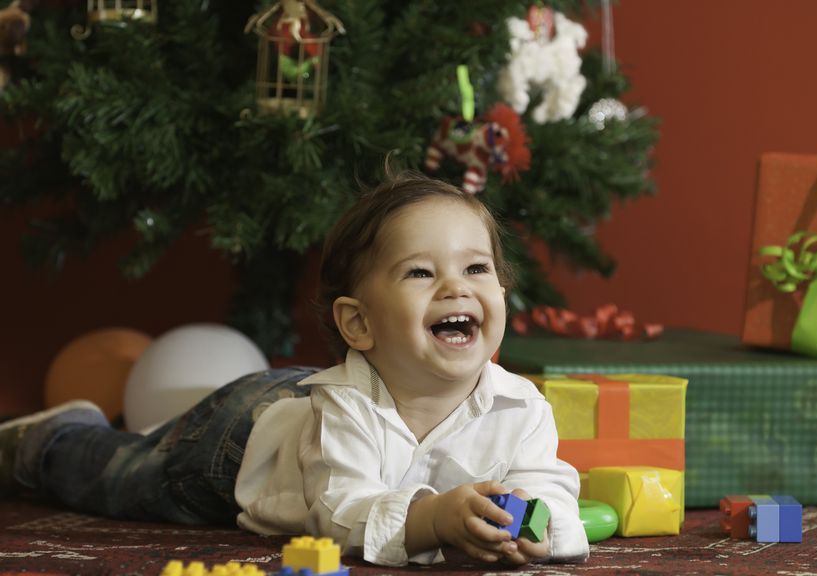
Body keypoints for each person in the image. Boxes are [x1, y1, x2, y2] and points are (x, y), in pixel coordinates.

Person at [0, 170, 589, 567]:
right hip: (236, 440)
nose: (456, 287)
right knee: (124, 476)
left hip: (301, 397)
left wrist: (528, 527)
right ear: (359, 325)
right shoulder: (347, 411)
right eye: (420, 273)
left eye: (477, 268)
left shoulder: (523, 407)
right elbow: (338, 515)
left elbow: (558, 507)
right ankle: (46, 439)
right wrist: (434, 518)